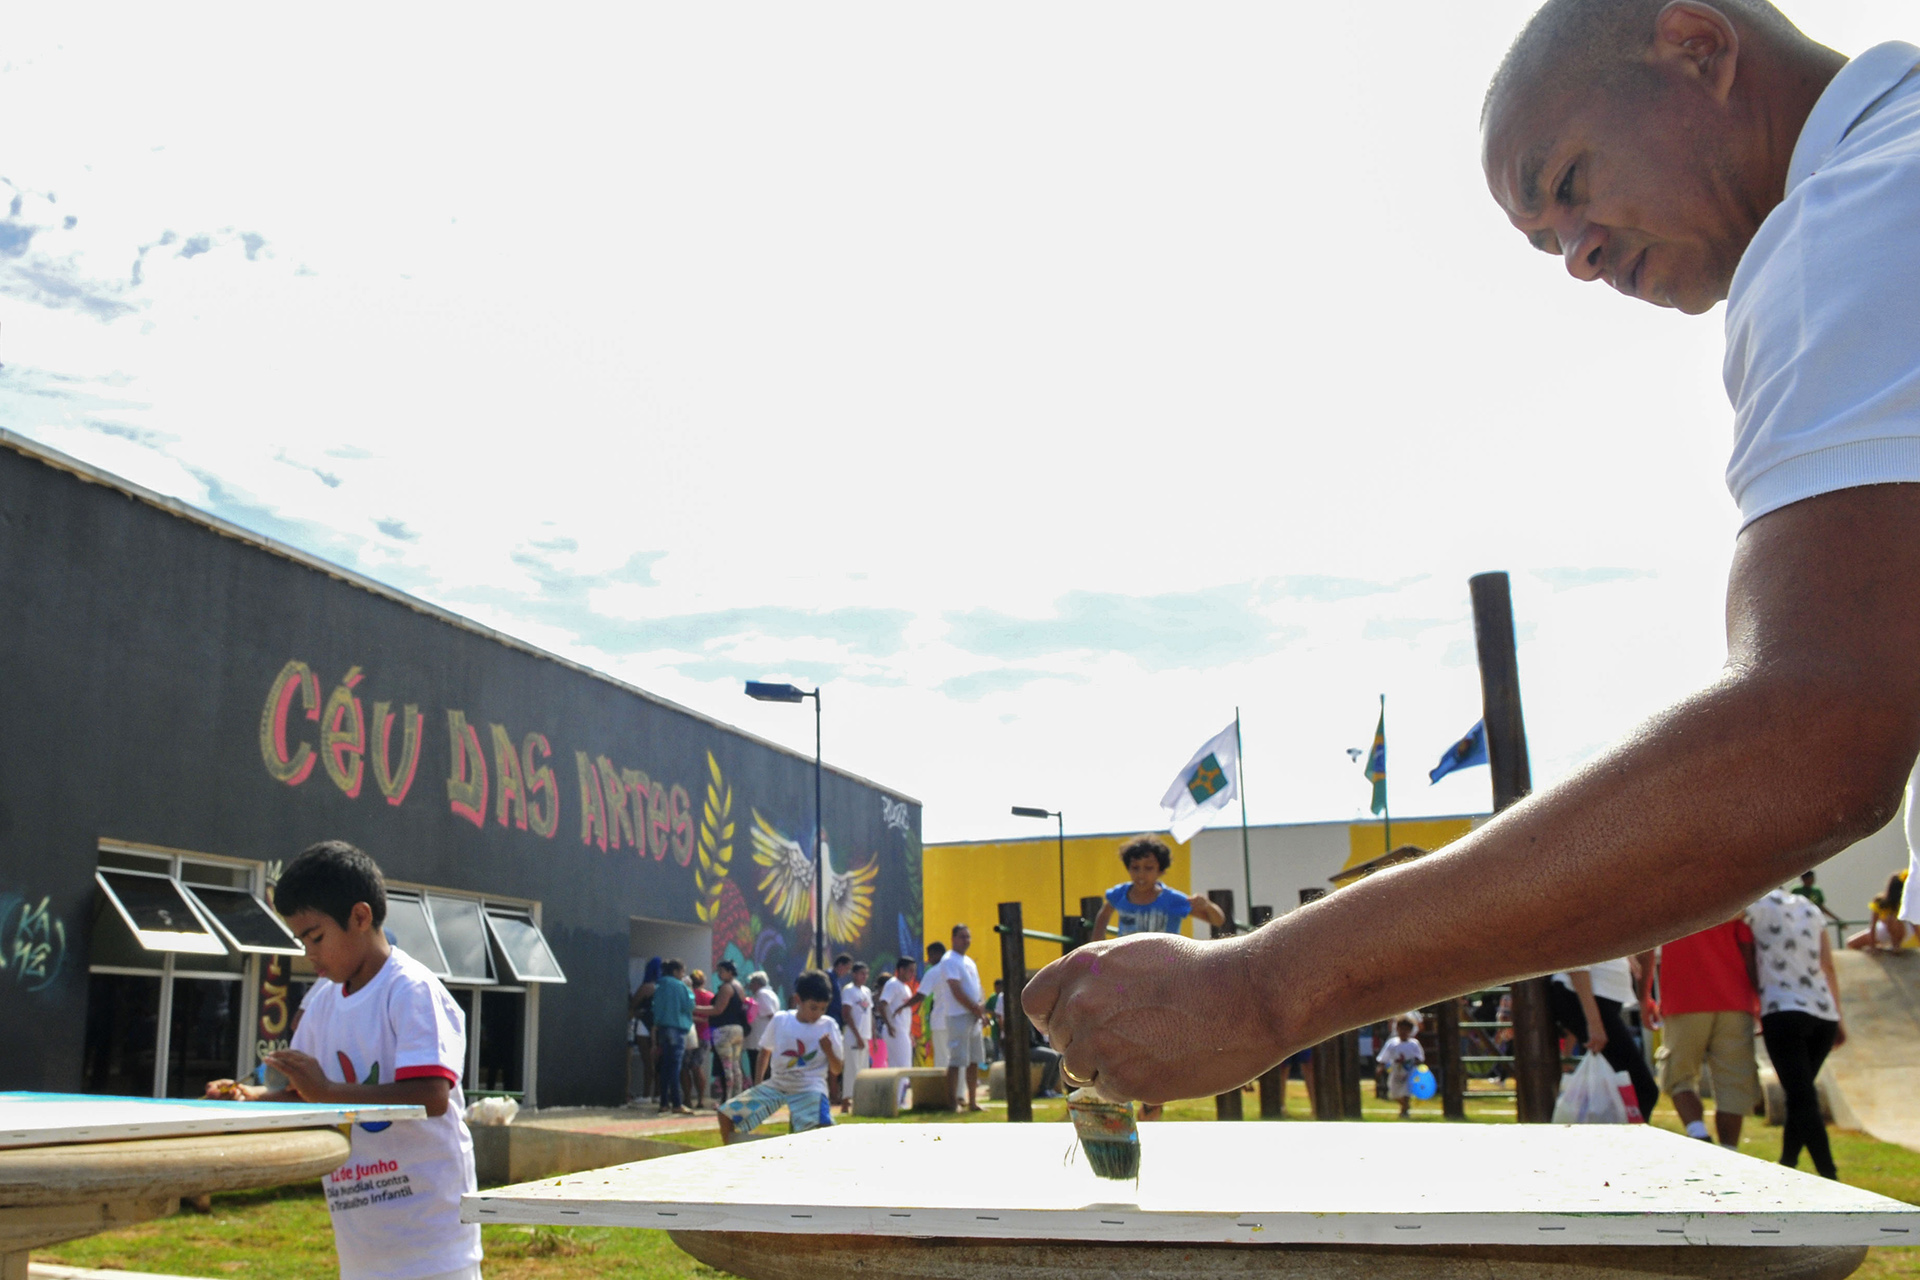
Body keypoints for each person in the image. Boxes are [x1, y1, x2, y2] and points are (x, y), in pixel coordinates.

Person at [1023, 3, 1920, 1107]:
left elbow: (1816, 731)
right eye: (1546, 240)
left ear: (1698, 45)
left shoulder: (1858, 214)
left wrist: (1266, 987)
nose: (1581, 256)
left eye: (1573, 181)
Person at [205, 841, 482, 1280]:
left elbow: (431, 1096)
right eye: (301, 941)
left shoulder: (411, 991)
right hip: (362, 1247)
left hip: (431, 1247)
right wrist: (250, 1100)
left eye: (316, 937)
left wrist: (328, 1092)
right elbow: (308, 1097)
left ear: (360, 917)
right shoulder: (322, 1004)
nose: (309, 954)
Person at [1748, 885, 1846, 1179]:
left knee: (1802, 1096)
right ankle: (1787, 1164)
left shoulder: (1754, 906)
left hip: (1783, 1009)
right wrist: (1839, 1016)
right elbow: (1827, 965)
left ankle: (1829, 1174)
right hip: (1822, 1013)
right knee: (1799, 1093)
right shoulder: (1810, 907)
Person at [1654, 919, 1758, 1147]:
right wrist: (1759, 1000)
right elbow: (1748, 948)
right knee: (1734, 1081)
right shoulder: (1732, 893)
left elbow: (1648, 945)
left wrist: (1644, 997)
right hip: (1734, 998)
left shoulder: (1665, 894)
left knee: (1678, 1075)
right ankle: (1730, 1150)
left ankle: (1698, 1134)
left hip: (1684, 996)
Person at [716, 969, 842, 1144]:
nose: (818, 1013)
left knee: (817, 1130)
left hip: (810, 1087)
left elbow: (837, 1068)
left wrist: (828, 1051)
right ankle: (729, 1153)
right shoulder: (781, 1020)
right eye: (813, 1008)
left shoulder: (828, 1025)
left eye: (823, 1008)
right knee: (725, 1114)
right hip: (777, 1085)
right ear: (798, 1000)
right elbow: (765, 1052)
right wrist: (758, 1083)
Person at [1547, 956, 1659, 1120]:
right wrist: (1594, 1023)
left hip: (1600, 999)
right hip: (1584, 998)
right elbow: (1576, 957)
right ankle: (1626, 1143)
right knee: (1643, 1089)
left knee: (1631, 1089)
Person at [1092, 837, 1228, 939]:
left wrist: (1208, 906)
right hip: (1129, 965)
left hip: (1165, 965)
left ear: (1161, 870)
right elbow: (1103, 915)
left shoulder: (1172, 899)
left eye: (1148, 868)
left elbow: (1218, 921)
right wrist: (1097, 944)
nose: (1141, 874)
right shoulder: (1120, 894)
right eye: (1135, 868)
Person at [930, 925, 987, 1112]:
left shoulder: (969, 961)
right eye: (962, 937)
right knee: (956, 1060)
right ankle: (952, 1102)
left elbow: (977, 989)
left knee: (973, 1060)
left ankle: (972, 1102)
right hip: (958, 1015)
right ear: (953, 938)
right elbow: (955, 989)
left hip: (973, 1016)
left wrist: (981, 1011)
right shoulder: (949, 960)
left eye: (968, 937)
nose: (966, 940)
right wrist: (974, 1007)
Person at [696, 960, 750, 1103]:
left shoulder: (726, 988)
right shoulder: (739, 987)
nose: (719, 974)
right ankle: (737, 1097)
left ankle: (727, 1099)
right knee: (736, 1066)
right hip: (738, 1030)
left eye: (721, 971)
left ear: (729, 972)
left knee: (727, 1068)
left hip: (725, 1030)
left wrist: (694, 1009)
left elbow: (717, 1009)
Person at [651, 958, 695, 1115]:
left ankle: (664, 1103)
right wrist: (689, 988)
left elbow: (655, 1008)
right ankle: (677, 1103)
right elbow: (689, 1005)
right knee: (675, 1067)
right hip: (677, 1028)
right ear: (676, 971)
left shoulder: (660, 985)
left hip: (663, 1028)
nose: (683, 975)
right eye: (682, 971)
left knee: (665, 1066)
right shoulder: (680, 986)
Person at [1847, 872, 1915, 952]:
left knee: (1892, 918)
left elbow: (1914, 924)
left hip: (1905, 930)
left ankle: (1896, 945)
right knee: (1851, 943)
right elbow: (1873, 924)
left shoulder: (1907, 902)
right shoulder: (1880, 901)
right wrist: (1873, 946)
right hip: (1884, 929)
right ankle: (1885, 946)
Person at [839, 962, 874, 1112]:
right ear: (854, 974)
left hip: (865, 1036)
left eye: (866, 974)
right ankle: (846, 1102)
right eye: (861, 973)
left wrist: (872, 1035)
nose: (864, 977)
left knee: (863, 1070)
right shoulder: (849, 990)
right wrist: (857, 1036)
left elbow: (869, 1014)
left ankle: (861, 1100)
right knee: (852, 1069)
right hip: (853, 1036)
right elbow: (846, 1013)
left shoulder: (866, 991)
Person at [876, 957, 922, 1072]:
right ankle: (900, 1090)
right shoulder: (893, 984)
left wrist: (910, 1033)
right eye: (910, 970)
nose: (913, 974)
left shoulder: (906, 987)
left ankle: (900, 1090)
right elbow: (882, 1005)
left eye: (914, 971)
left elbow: (906, 1013)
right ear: (901, 970)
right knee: (902, 1066)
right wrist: (890, 1025)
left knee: (903, 1065)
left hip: (903, 1031)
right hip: (895, 1031)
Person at [1376, 1017, 1425, 1119]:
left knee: (1406, 1091)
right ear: (1397, 1029)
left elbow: (1420, 1057)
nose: (1403, 1032)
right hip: (1395, 1071)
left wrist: (1417, 1063)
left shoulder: (1413, 1044)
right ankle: (1405, 1106)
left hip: (1409, 1072)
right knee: (1394, 1092)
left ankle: (1404, 1111)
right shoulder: (1392, 1043)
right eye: (1401, 1029)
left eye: (1406, 1029)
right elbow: (1385, 1056)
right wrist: (1381, 1066)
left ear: (1410, 1031)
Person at [628, 957, 661, 1105]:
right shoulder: (664, 987)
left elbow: (633, 1004)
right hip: (660, 1025)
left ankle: (647, 1093)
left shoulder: (646, 987)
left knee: (647, 1062)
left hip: (644, 1025)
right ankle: (658, 1094)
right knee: (659, 1061)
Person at [823, 953, 854, 1105]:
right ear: (840, 965)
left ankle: (835, 1093)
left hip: (835, 1022)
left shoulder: (834, 979)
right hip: (829, 1021)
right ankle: (833, 1094)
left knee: (836, 1058)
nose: (846, 973)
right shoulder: (828, 976)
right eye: (846, 969)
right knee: (832, 1058)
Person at [742, 970, 781, 1082]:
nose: (750, 986)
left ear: (756, 983)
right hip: (762, 1039)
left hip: (758, 1040)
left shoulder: (762, 994)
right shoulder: (770, 993)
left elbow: (770, 1014)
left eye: (752, 983)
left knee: (759, 1069)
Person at [686, 969, 714, 1109]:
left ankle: (686, 1098)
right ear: (703, 981)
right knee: (697, 1067)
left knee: (685, 1067)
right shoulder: (710, 996)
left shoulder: (689, 995)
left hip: (689, 1034)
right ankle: (701, 1099)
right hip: (705, 1035)